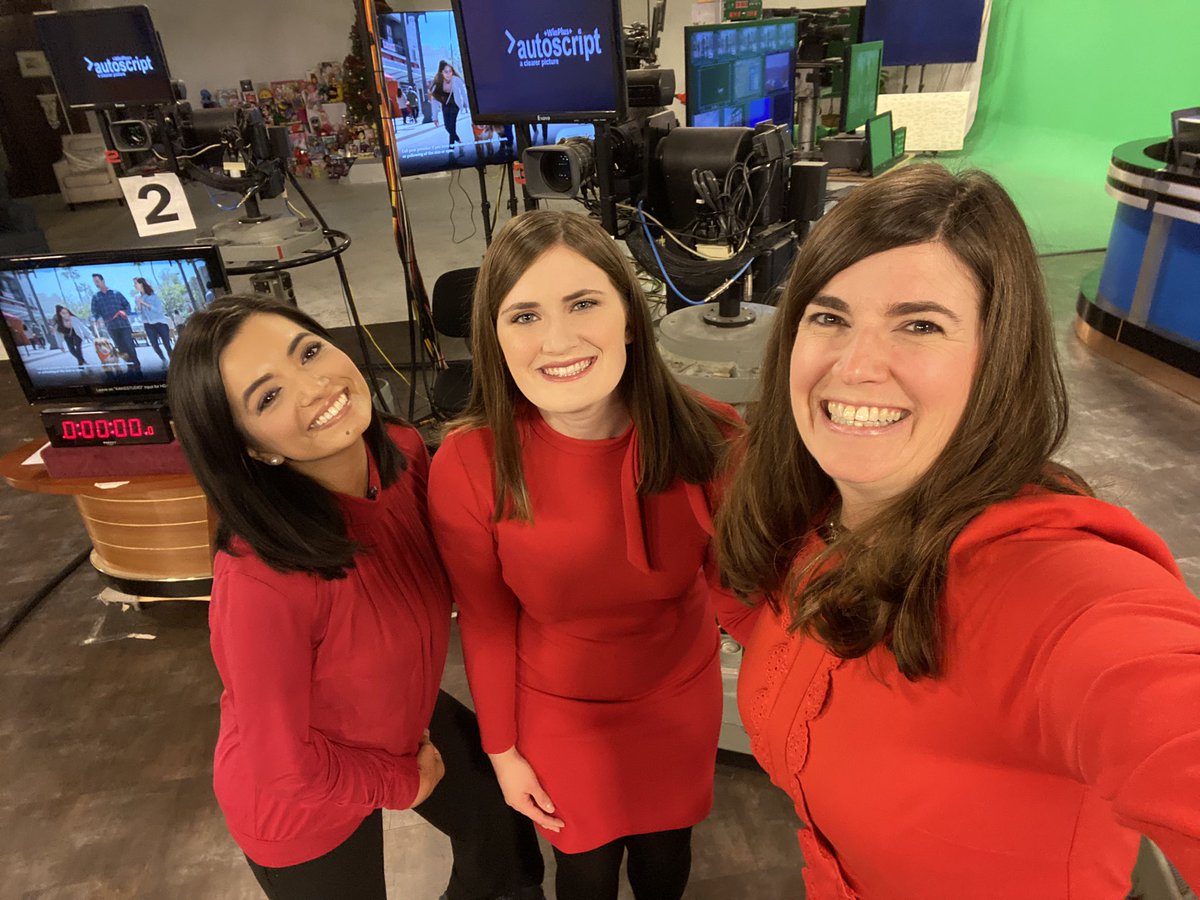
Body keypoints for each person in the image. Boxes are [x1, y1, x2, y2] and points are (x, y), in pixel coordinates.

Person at [713, 164, 1200, 898]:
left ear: (996, 358)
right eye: (830, 315)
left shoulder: (1055, 594)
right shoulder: (821, 509)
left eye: (919, 324)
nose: (856, 365)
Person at [167, 295, 544, 900]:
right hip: (300, 795)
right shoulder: (260, 580)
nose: (315, 386)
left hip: (402, 717)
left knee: (504, 838)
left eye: (310, 351)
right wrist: (400, 784)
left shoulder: (402, 452)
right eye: (267, 397)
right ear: (251, 448)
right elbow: (282, 766)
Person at [428, 211, 747, 900]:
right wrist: (503, 751)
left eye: (583, 303)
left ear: (630, 318)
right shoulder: (468, 464)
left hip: (678, 694)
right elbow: (484, 622)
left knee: (667, 856)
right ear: (495, 339)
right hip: (558, 706)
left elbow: (745, 600)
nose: (559, 339)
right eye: (525, 317)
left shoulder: (716, 436)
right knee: (585, 868)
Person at [90, 273, 141, 374]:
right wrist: (94, 319)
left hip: (124, 325)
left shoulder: (116, 293)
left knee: (129, 346)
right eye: (94, 282)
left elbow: (127, 305)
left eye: (97, 281)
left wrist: (125, 312)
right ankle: (130, 365)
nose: (96, 283)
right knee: (120, 348)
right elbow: (95, 312)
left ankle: (137, 366)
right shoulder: (96, 297)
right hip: (111, 327)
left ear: (102, 280)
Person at [430, 60, 468, 155]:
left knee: (452, 125)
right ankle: (459, 142)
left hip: (455, 105)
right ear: (441, 72)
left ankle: (451, 148)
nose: (448, 74)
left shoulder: (456, 80)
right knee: (448, 127)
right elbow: (434, 100)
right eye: (445, 72)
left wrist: (467, 105)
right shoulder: (438, 83)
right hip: (445, 105)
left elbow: (463, 93)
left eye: (450, 71)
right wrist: (434, 117)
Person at [133, 276, 172, 364]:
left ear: (141, 283)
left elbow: (158, 310)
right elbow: (139, 312)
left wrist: (143, 303)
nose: (134, 285)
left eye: (136, 283)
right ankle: (163, 360)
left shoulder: (153, 295)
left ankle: (174, 362)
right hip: (148, 324)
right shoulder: (137, 297)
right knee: (154, 345)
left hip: (160, 322)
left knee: (167, 344)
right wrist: (139, 305)